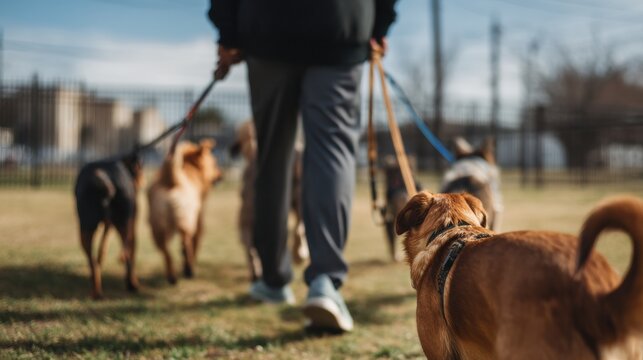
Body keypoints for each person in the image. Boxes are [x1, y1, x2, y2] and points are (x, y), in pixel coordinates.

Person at [208, 0, 398, 333]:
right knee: (333, 151)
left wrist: (228, 30)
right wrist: (379, 23)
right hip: (342, 24)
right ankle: (325, 280)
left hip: (268, 29)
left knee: (271, 155)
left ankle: (273, 279)